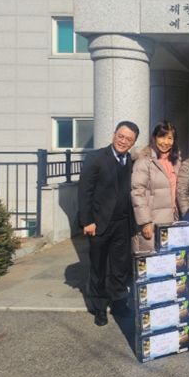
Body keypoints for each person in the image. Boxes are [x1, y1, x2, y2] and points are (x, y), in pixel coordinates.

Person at [78, 120, 139, 327]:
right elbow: (84, 191)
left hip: (122, 224)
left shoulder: (129, 160)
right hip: (99, 224)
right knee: (99, 268)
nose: (123, 141)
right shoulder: (96, 157)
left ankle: (119, 304)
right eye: (121, 136)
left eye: (128, 139)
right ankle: (99, 308)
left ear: (133, 143)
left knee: (120, 268)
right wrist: (87, 221)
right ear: (114, 134)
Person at [131, 121, 181, 254]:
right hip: (152, 222)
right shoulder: (144, 161)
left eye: (170, 138)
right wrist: (145, 222)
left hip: (171, 220)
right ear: (154, 138)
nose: (165, 142)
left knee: (168, 261)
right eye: (162, 137)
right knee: (150, 261)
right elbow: (137, 192)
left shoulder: (176, 161)